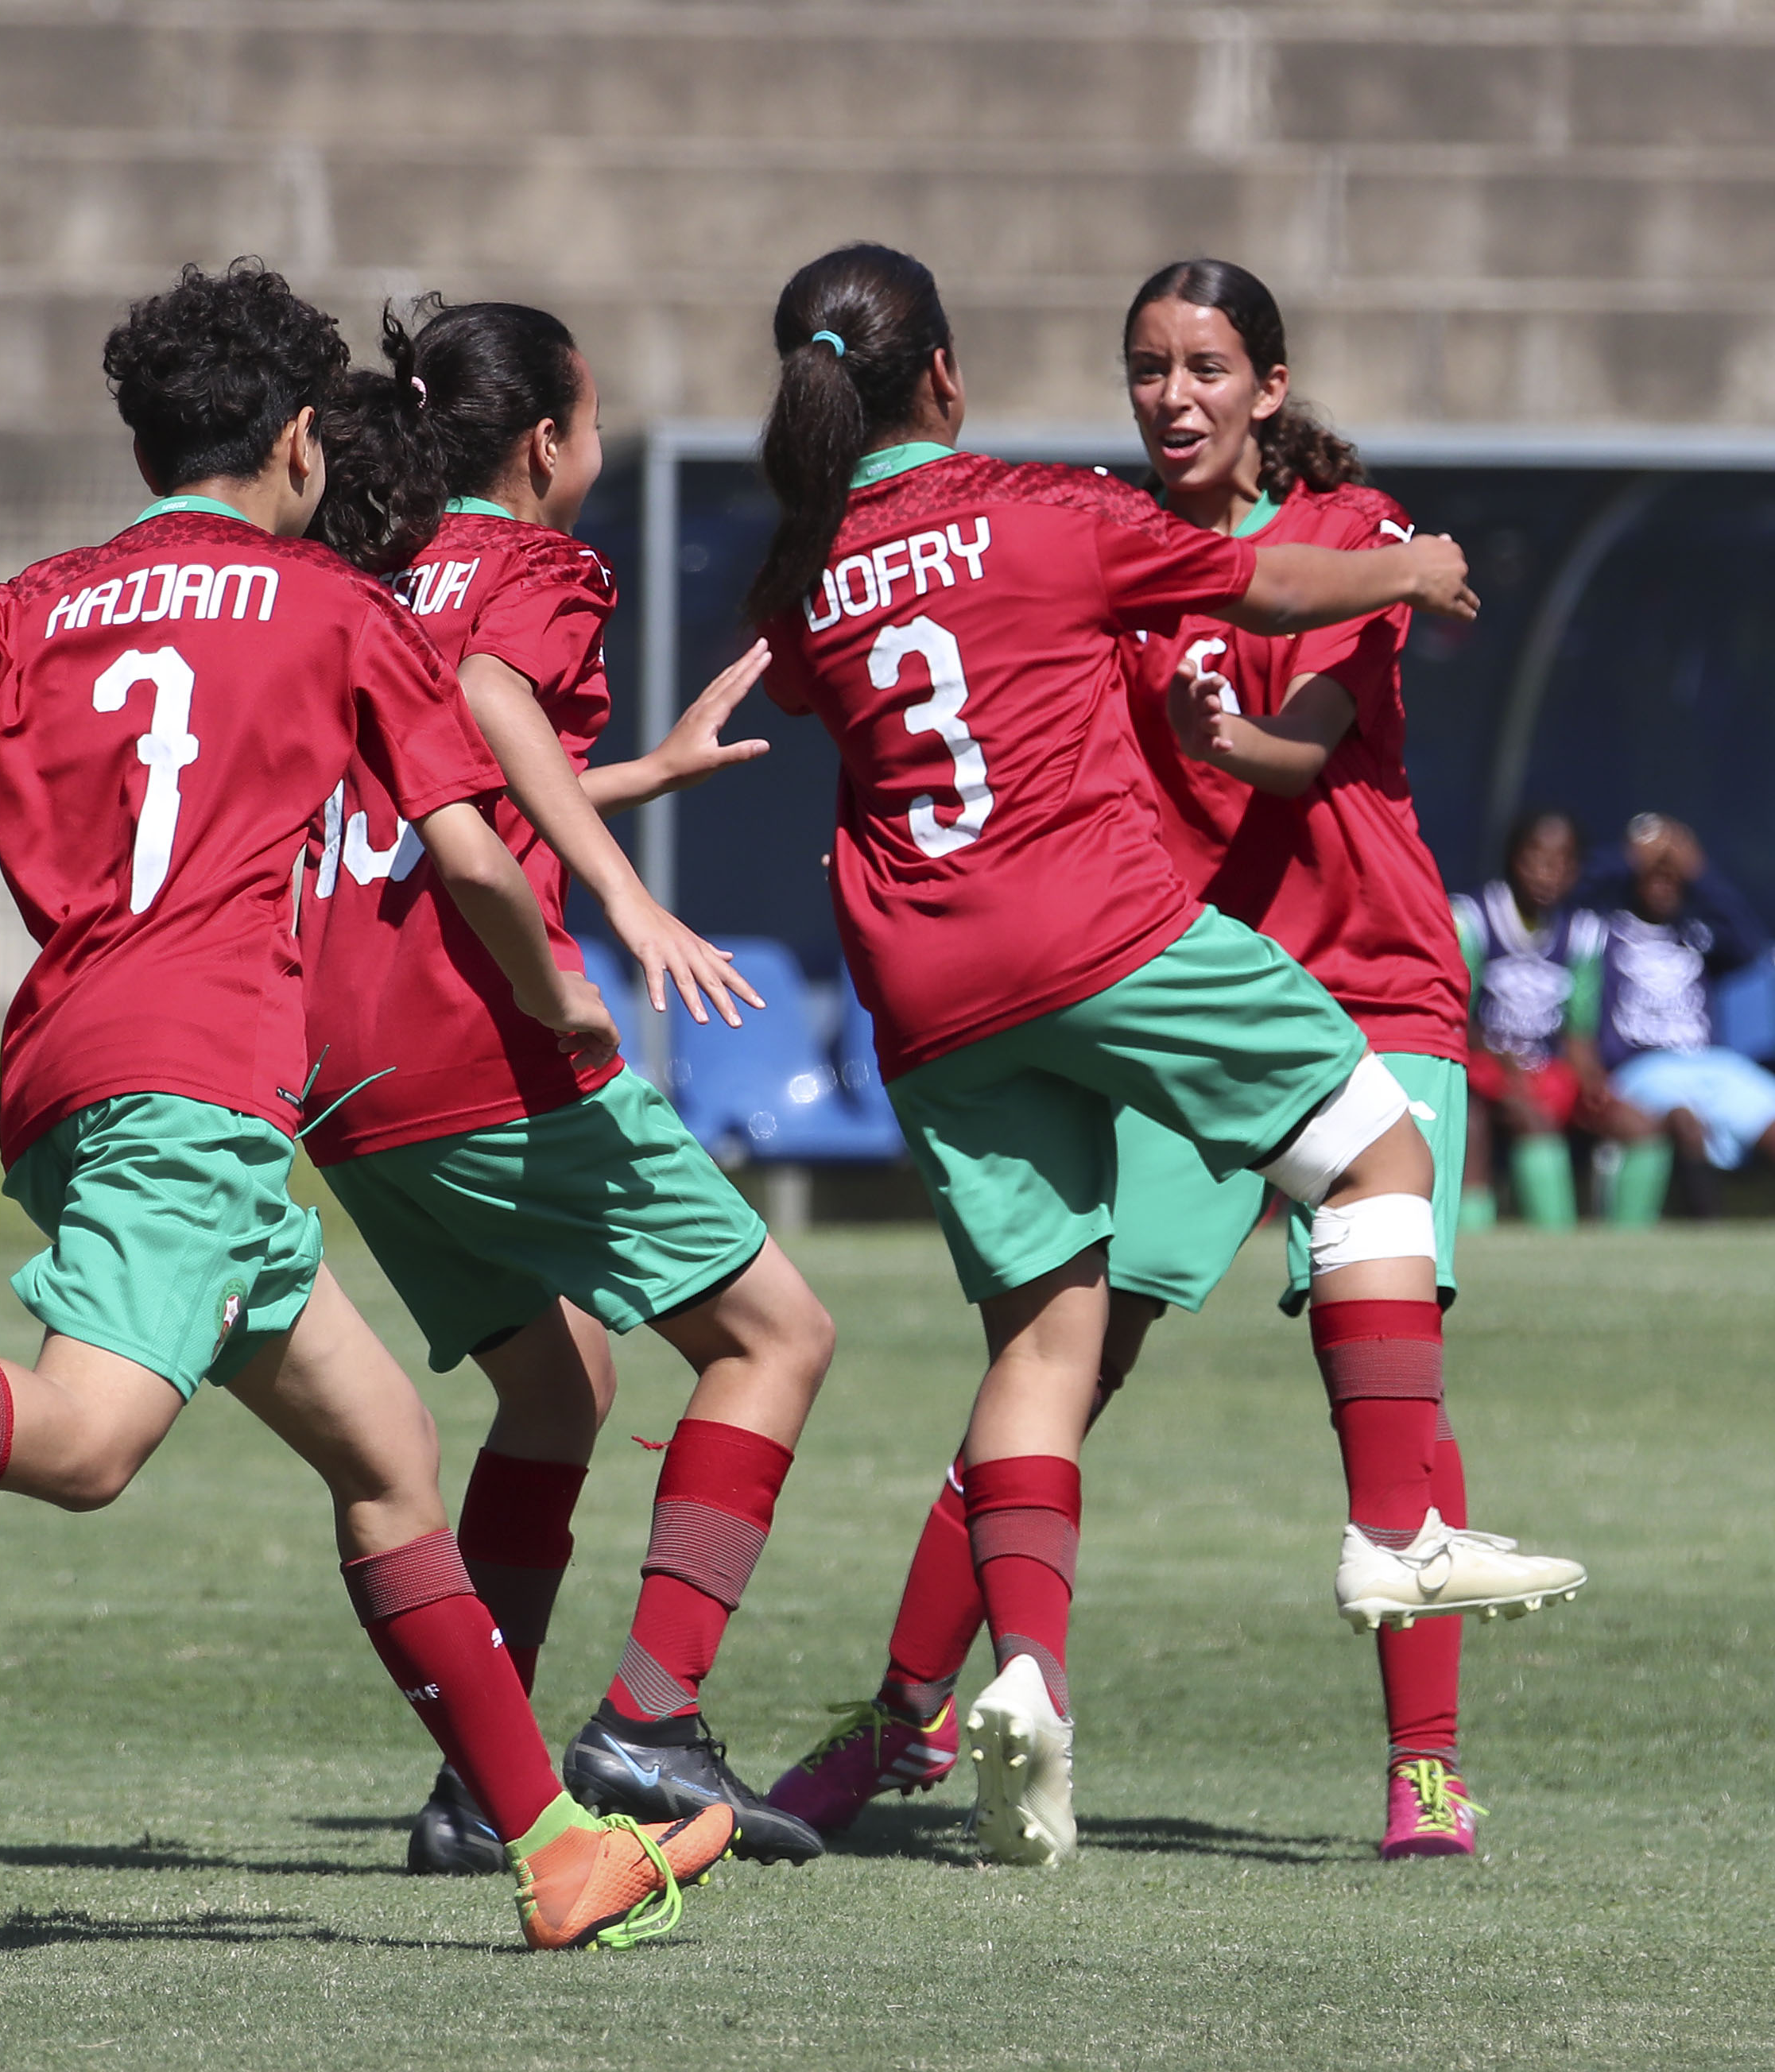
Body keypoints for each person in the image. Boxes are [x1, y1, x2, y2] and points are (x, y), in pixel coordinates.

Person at [0, 262, 732, 1953]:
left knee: (392, 1458)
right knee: (95, 1442)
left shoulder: (54, 596)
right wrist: (563, 992)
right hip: (188, 1080)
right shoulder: (341, 610)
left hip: (87, 1074)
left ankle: (552, 1850)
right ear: (302, 441)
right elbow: (472, 847)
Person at [723, 242, 1565, 1869]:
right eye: (1146, 370)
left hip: (1362, 980)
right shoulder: (1075, 541)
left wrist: (1213, 739)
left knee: (1382, 1359)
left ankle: (1428, 1771)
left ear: (1270, 384)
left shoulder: (1348, 529)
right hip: (1163, 983)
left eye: (1203, 370)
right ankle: (898, 1721)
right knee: (1066, 1355)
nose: (1172, 399)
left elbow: (1303, 757)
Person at [301, 299, 837, 1874]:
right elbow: (487, 708)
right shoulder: (532, 569)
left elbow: (437, 769)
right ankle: (649, 1729)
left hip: (342, 1061)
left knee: (559, 1388)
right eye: (594, 422)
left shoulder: (376, 570)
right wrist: (625, 900)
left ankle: (484, 1786)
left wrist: (634, 779)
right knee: (777, 1335)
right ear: (547, 442)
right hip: (475, 1035)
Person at [1452, 811, 1634, 1231]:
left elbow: (1579, 1032)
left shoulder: (1583, 932)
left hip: (1547, 1071)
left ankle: (1630, 1244)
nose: (1549, 874)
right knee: (1515, 1119)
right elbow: (1455, 1015)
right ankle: (1546, 1237)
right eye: (1536, 859)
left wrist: (1592, 1082)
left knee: (1633, 1123)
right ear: (1512, 858)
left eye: (1564, 862)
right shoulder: (1472, 918)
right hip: (1480, 1066)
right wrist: (1501, 1060)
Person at [1586, 813, 1775, 1213]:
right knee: (1686, 1120)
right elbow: (1569, 892)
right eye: (1654, 873)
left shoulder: (1697, 934)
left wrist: (1699, 870)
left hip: (1712, 1065)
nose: (1663, 882)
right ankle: (1708, 1236)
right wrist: (1628, 856)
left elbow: (1751, 943)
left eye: (1673, 876)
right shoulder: (1602, 931)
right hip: (1642, 1068)